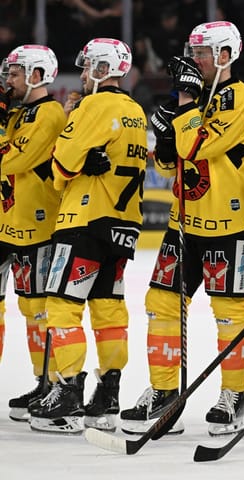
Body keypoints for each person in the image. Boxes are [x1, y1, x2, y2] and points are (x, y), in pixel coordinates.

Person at [120, 21, 244, 437]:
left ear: (225, 55)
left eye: (202, 52)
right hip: (186, 220)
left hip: (231, 223)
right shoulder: (198, 97)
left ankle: (234, 395)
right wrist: (164, 139)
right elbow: (173, 162)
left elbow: (196, 146)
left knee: (229, 313)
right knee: (161, 302)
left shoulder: (241, 98)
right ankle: (165, 391)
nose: (194, 59)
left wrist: (183, 104)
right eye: (193, 50)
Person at [28, 37, 147, 434]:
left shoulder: (92, 106)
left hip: (83, 221)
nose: (81, 74)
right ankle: (108, 396)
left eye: (87, 66)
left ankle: (68, 395)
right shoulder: (135, 111)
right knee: (108, 311)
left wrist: (72, 124)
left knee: (62, 307)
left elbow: (61, 170)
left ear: (102, 68)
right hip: (123, 225)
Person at [0, 45, 65, 422]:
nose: (8, 81)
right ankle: (42, 382)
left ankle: (55, 383)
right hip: (7, 222)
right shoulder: (16, 113)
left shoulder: (50, 113)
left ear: (37, 76)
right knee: (24, 310)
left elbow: (15, 160)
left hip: (38, 225)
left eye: (15, 74)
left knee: (37, 310)